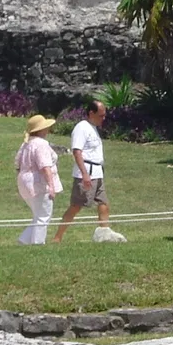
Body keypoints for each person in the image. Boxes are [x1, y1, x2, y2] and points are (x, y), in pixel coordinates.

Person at [52, 101, 109, 242]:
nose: (103, 119)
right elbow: (77, 152)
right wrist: (84, 174)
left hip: (97, 173)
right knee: (76, 206)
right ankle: (57, 237)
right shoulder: (82, 128)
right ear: (91, 113)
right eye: (101, 115)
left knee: (104, 204)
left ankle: (104, 235)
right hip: (87, 173)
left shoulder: (93, 128)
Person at [14, 115, 61, 245]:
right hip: (38, 183)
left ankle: (24, 241)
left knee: (38, 215)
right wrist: (51, 186)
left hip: (25, 182)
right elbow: (45, 166)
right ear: (40, 130)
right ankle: (38, 244)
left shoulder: (26, 144)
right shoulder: (41, 144)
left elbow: (17, 165)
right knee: (44, 216)